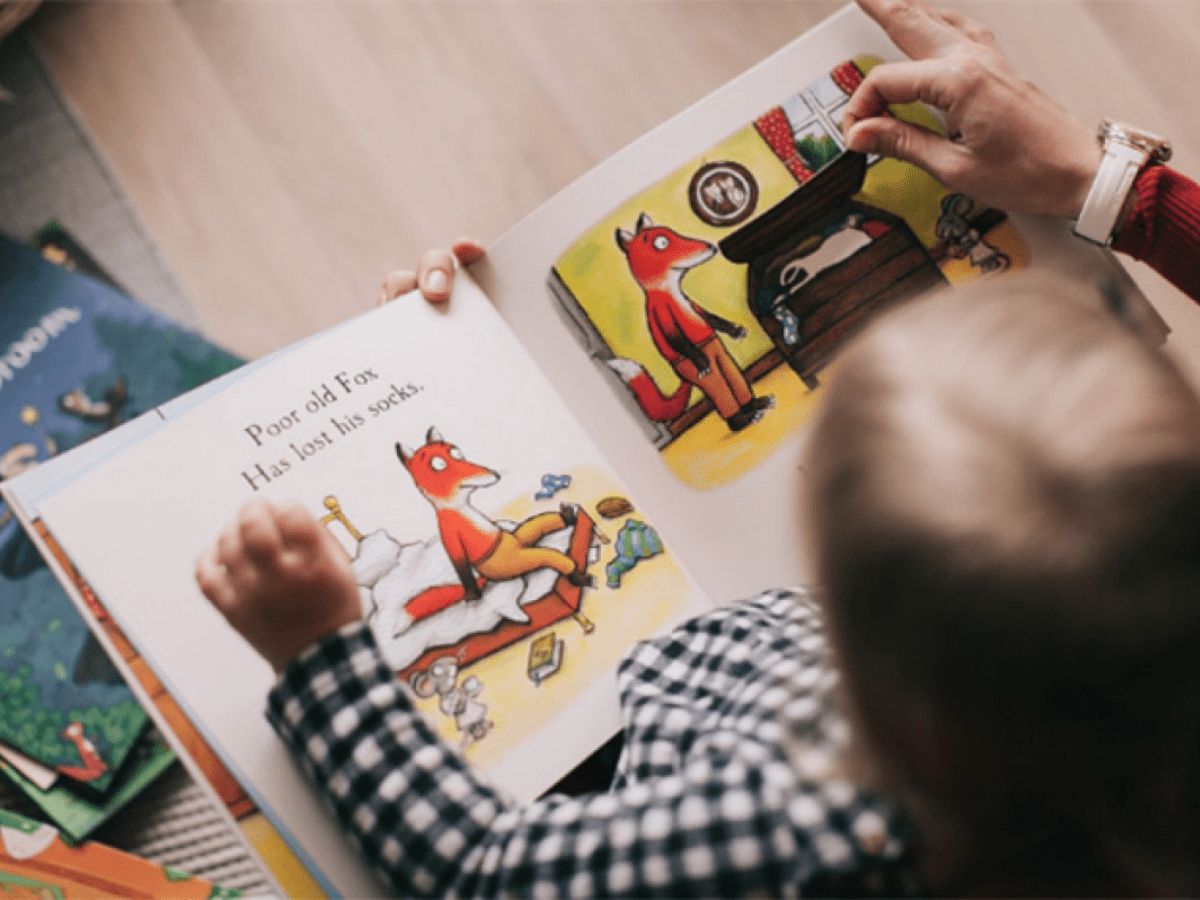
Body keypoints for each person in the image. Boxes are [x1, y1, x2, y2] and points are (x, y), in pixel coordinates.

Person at [195, 1, 1200, 896]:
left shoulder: (806, 817)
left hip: (614, 758)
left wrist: (321, 658)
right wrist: (1111, 187)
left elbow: (488, 869)